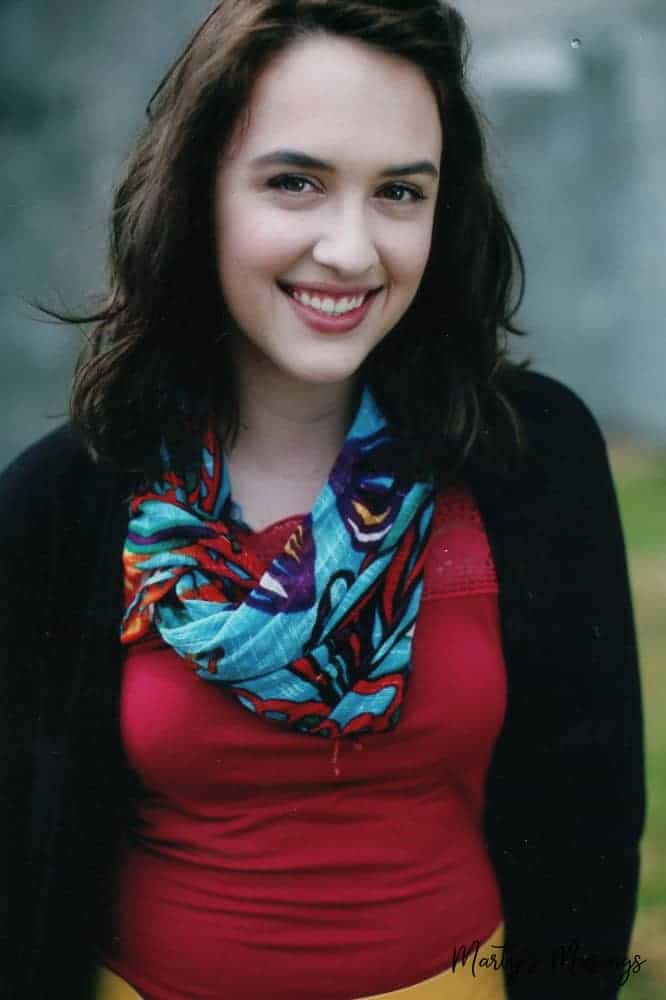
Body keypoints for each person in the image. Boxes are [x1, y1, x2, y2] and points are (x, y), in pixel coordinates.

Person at [1, 2, 645, 998]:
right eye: (294, 182)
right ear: (199, 188)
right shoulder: (65, 499)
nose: (350, 250)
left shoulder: (531, 455)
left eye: (399, 192)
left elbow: (591, 825)